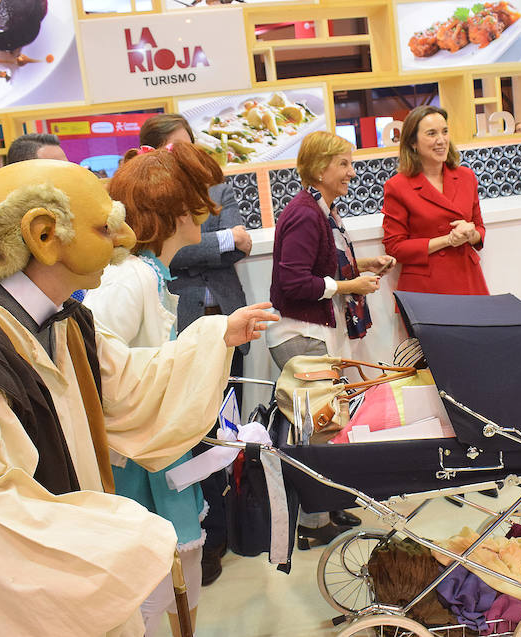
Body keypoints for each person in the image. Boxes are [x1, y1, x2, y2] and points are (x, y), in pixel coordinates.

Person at [0, 158, 276, 636]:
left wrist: (214, 337)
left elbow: (124, 386)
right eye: (106, 228)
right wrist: (125, 534)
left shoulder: (60, 319)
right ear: (44, 236)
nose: (126, 241)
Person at [84, 143, 225, 637]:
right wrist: (207, 344)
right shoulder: (128, 278)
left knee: (179, 579)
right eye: (198, 198)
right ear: (175, 211)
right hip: (136, 461)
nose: (210, 207)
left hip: (157, 451)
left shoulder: (147, 274)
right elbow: (102, 373)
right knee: (149, 586)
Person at [131, 113, 252, 587]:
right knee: (190, 428)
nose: (189, 161)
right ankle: (202, 537)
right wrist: (217, 239)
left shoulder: (218, 189)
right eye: (177, 151)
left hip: (229, 316)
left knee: (227, 425)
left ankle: (230, 524)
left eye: (192, 147)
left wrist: (218, 242)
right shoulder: (146, 209)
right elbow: (170, 251)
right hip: (178, 327)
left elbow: (240, 245)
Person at [267, 131, 395, 547]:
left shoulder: (320, 210)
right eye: (343, 164)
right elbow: (292, 281)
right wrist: (346, 286)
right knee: (316, 433)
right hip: (303, 337)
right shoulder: (307, 213)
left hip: (315, 335)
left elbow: (320, 266)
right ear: (321, 168)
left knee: (324, 429)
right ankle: (313, 523)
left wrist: (362, 266)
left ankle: (324, 507)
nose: (351, 173)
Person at [381, 105, 488, 298]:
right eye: (431, 133)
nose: (441, 140)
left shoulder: (466, 176)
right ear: (413, 142)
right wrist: (448, 240)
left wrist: (471, 233)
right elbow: (395, 248)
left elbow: (480, 228)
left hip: (469, 281)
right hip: (426, 289)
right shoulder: (397, 186)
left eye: (445, 132)